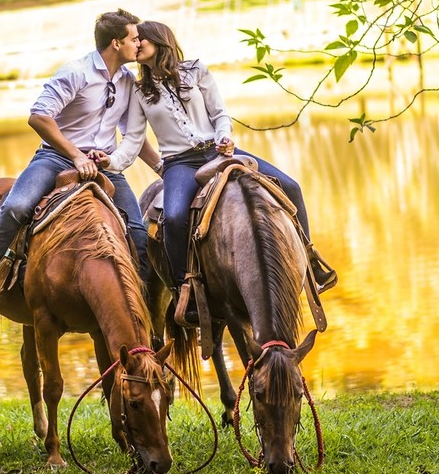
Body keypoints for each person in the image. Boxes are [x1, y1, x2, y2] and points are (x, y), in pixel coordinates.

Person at [116, 19, 337, 324]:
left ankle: (309, 258)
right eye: (135, 41)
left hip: (216, 151)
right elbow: (133, 140)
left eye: (141, 40)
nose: (136, 45)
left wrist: (225, 137)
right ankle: (186, 288)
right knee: (176, 217)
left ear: (160, 41)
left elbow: (220, 113)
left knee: (291, 186)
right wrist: (111, 163)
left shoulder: (196, 71)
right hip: (180, 162)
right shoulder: (140, 91)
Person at [0, 8, 157, 320]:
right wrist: (76, 155)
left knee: (136, 230)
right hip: (57, 158)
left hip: (103, 166)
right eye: (135, 38)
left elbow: (132, 134)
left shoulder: (128, 81)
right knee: (16, 206)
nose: (140, 43)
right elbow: (38, 116)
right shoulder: (75, 72)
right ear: (116, 43)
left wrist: (160, 167)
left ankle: (135, 310)